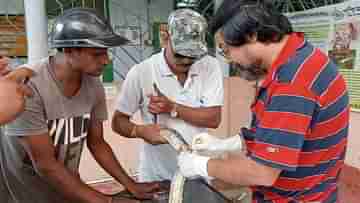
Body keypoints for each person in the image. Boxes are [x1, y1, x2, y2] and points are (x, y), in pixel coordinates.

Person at [177, 1, 350, 203]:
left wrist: (200, 165)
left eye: (226, 49)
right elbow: (280, 136)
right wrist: (226, 145)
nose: (230, 59)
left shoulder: (292, 83)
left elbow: (262, 173)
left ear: (251, 35)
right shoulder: (299, 58)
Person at [1, 8, 161, 203]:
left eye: (106, 52)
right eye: (97, 54)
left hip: (66, 188)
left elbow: (97, 143)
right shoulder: (29, 87)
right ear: (68, 50)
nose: (106, 60)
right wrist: (107, 201)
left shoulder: (93, 85)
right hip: (23, 193)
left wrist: (130, 185)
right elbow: (45, 164)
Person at [112, 9, 224, 182]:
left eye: (192, 56)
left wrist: (173, 108)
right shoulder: (142, 72)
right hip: (156, 176)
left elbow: (213, 119)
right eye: (180, 54)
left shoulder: (210, 66)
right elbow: (118, 121)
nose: (186, 61)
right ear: (166, 38)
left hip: (198, 173)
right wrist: (139, 130)